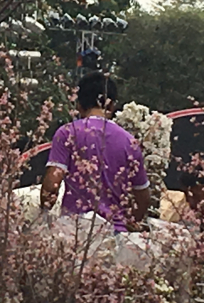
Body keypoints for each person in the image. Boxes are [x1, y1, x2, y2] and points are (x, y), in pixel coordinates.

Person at [40, 72, 150, 233]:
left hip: (74, 231)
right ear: (111, 105)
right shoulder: (130, 142)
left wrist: (44, 214)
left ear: (79, 105)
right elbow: (143, 198)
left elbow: (51, 187)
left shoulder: (67, 133)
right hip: (114, 234)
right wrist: (129, 222)